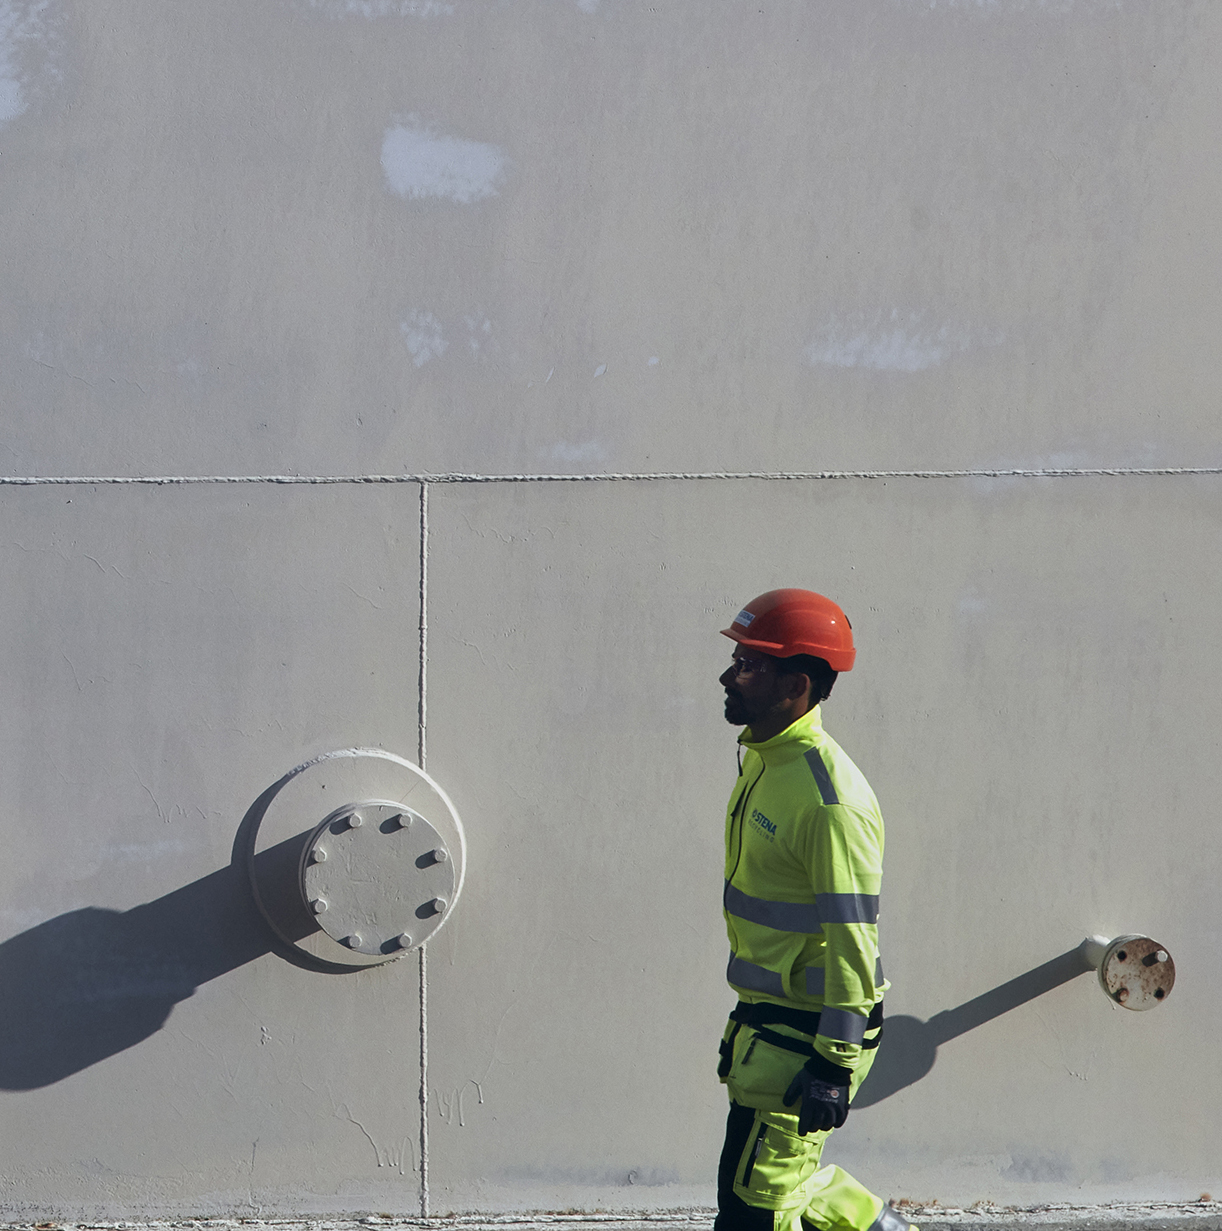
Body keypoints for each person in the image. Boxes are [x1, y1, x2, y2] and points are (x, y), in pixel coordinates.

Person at [714, 589, 912, 1231]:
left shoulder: (830, 803)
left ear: (795, 684)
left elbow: (854, 944)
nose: (728, 674)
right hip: (772, 1023)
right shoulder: (768, 760)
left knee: (753, 1212)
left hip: (810, 1037)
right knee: (774, 1182)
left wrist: (833, 1064)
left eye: (748, 665)